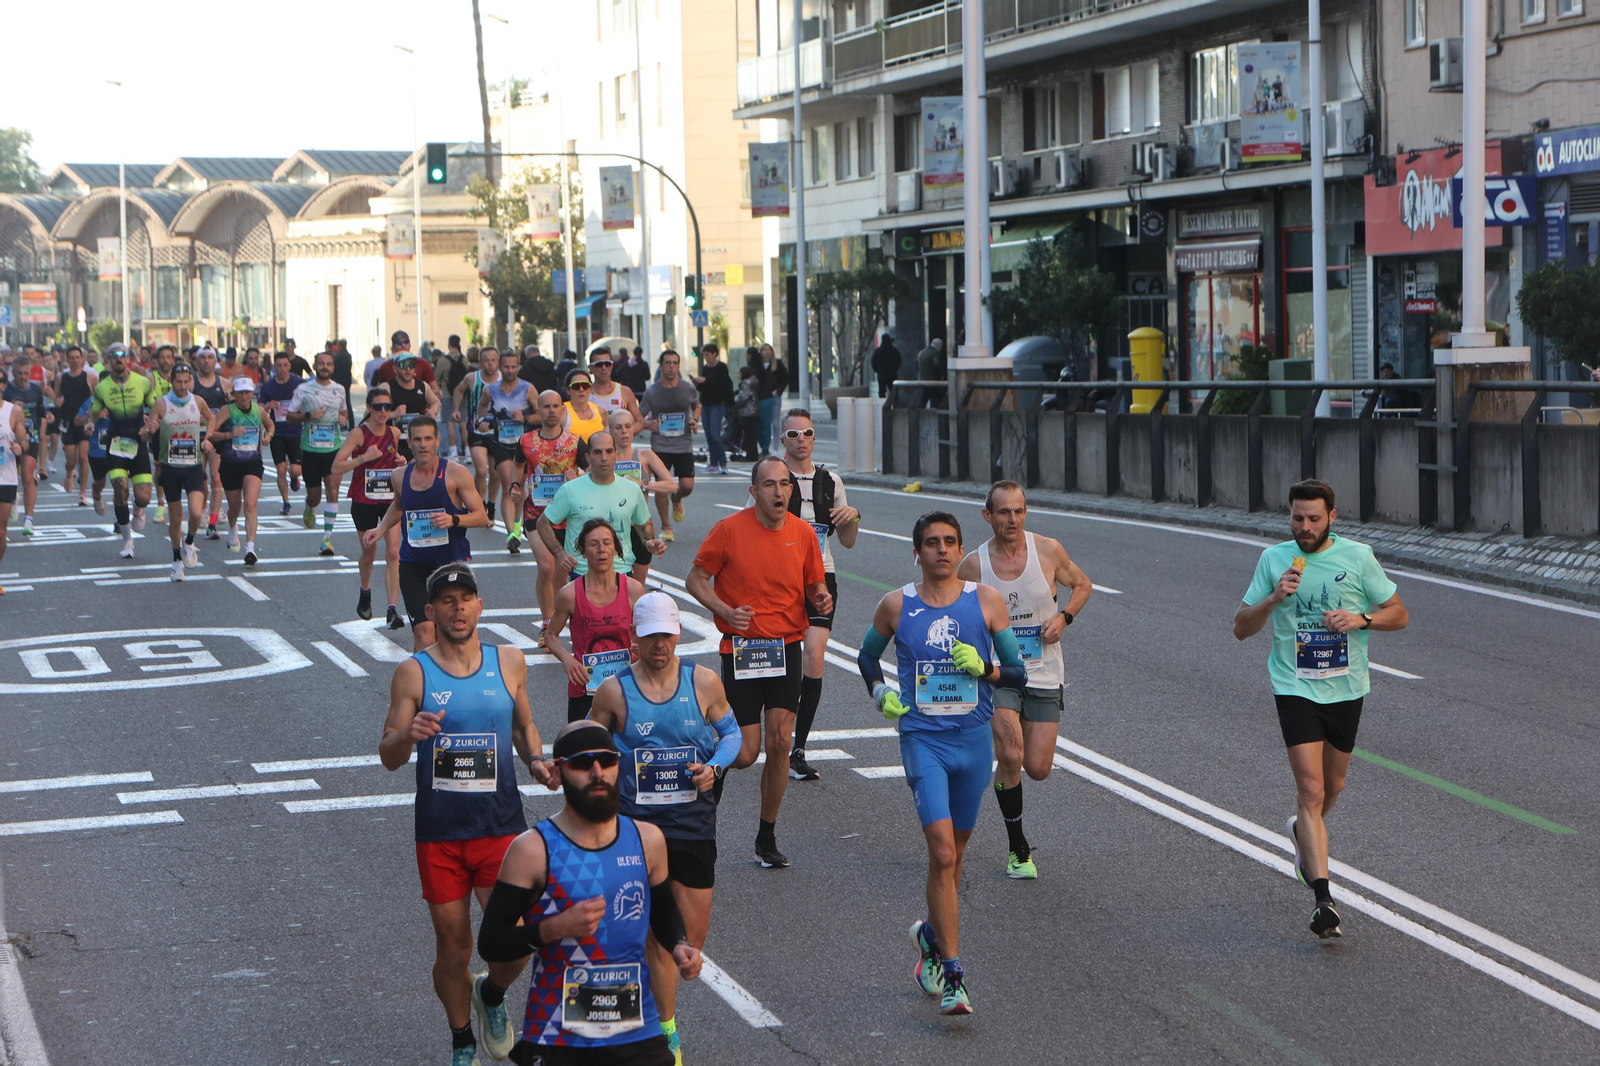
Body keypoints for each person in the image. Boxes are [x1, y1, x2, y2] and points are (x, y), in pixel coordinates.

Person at [379, 562, 552, 1066]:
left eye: (466, 598)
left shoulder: (510, 662)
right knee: (453, 948)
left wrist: (538, 763)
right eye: (447, 601)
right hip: (440, 832)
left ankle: (491, 995)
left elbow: (525, 728)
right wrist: (406, 738)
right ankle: (461, 1041)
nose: (458, 609)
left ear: (481, 605)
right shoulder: (415, 671)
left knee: (515, 942)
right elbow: (387, 755)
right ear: (431, 612)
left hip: (500, 827)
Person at [856, 511, 1027, 1016]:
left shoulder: (985, 601)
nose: (943, 550)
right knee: (943, 853)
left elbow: (1017, 671)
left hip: (973, 741)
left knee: (955, 856)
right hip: (922, 740)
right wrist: (879, 691)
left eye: (951, 542)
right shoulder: (897, 605)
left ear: (959, 550)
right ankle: (954, 976)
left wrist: (988, 669)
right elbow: (867, 657)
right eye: (932, 543)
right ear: (917, 553)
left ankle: (930, 935)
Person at [1233, 479, 1409, 940]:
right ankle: (1323, 900)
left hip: (1347, 687)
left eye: (1313, 518)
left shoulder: (1357, 557)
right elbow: (1240, 627)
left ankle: (1301, 833)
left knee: (1334, 786)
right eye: (1297, 518)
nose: (1304, 527)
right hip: (1294, 686)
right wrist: (1274, 598)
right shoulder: (1275, 561)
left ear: (1332, 516)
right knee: (1310, 790)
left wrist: (1362, 619)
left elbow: (1399, 613)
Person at [476, 720, 702, 1066]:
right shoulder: (532, 850)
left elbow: (663, 910)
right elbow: (490, 942)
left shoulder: (648, 840)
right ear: (559, 770)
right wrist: (553, 929)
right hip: (557, 1034)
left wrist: (680, 945)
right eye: (583, 763)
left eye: (607, 760)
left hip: (636, 1029)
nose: (598, 772)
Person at [586, 591, 739, 1066]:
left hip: (693, 824)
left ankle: (652, 1017)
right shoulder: (614, 690)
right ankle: (664, 1032)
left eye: (666, 636)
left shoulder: (704, 682)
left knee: (689, 942)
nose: (659, 645)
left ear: (677, 634)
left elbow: (732, 734)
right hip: (636, 829)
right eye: (649, 636)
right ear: (635, 636)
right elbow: (590, 744)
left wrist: (713, 766)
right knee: (655, 938)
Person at [686, 456, 831, 869]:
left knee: (780, 741)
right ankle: (701, 811)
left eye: (785, 484)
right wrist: (725, 611)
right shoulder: (729, 531)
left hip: (785, 646)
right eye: (769, 485)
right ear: (753, 491)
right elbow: (695, 578)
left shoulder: (803, 534)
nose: (778, 492)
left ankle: (766, 836)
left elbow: (815, 583)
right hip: (743, 650)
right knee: (746, 752)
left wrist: (820, 596)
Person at [957, 480, 1093, 879]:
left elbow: (1082, 584)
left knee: (1037, 767)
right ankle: (1018, 848)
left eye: (1018, 510)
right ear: (988, 516)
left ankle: (1002, 764)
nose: (1012, 519)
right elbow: (955, 613)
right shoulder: (974, 566)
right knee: (1012, 753)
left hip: (1045, 670)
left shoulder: (1048, 550)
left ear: (1026, 512)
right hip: (998, 674)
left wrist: (1063, 617)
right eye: (1003, 512)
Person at [769, 408, 860, 783]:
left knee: (815, 656)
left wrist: (852, 516)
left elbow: (849, 541)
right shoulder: (772, 478)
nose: (801, 439)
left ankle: (798, 748)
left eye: (807, 432)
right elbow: (749, 526)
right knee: (784, 659)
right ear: (783, 440)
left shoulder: (830, 480)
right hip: (780, 578)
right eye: (793, 434)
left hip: (821, 576)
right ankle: (775, 730)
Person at [362, 416, 488, 651]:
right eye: (417, 439)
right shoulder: (399, 476)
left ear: (437, 441)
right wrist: (380, 529)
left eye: (428, 438)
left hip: (449, 565)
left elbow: (481, 516)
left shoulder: (456, 473)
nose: (423, 445)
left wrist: (454, 519)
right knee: (424, 633)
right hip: (414, 565)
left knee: (451, 634)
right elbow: (399, 506)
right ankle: (423, 686)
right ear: (408, 443)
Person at [537, 431, 664, 600]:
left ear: (616, 455)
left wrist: (649, 541)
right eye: (597, 452)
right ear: (588, 458)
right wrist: (560, 554)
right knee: (588, 626)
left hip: (622, 572)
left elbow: (644, 524)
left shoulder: (632, 489)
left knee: (624, 626)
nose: (604, 457)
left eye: (609, 451)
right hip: (583, 574)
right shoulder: (571, 490)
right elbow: (543, 523)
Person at [545, 518, 647, 722]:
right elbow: (550, 636)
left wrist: (641, 647)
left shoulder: (634, 589)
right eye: (593, 544)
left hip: (628, 683)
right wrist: (568, 660)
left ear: (616, 549)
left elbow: (649, 633)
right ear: (583, 551)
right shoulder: (570, 594)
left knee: (628, 751)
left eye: (607, 543)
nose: (602, 549)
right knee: (583, 750)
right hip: (585, 686)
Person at [508, 389, 583, 632]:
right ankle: (547, 623)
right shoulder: (526, 440)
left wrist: (577, 476)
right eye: (546, 407)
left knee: (561, 573)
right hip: (535, 513)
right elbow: (518, 466)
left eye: (556, 406)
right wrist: (514, 486)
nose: (551, 411)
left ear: (563, 409)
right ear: (538, 411)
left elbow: (593, 473)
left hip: (566, 517)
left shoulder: (574, 441)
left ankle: (560, 617)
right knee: (546, 567)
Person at [333, 385, 405, 628]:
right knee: (370, 553)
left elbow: (400, 462)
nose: (383, 411)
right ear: (369, 408)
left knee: (393, 552)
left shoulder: (394, 433)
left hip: (389, 501)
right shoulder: (359, 434)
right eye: (378, 407)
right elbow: (337, 466)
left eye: (387, 407)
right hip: (363, 501)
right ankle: (365, 590)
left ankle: (392, 609)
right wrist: (365, 458)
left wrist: (402, 462)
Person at [145, 364, 214, 583]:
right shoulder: (161, 403)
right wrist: (150, 430)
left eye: (186, 381)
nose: (183, 386)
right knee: (176, 518)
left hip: (193, 465)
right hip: (170, 467)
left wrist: (207, 439)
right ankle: (176, 561)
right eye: (178, 382)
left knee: (195, 514)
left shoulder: (198, 401)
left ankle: (190, 542)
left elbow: (211, 418)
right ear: (171, 382)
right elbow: (145, 434)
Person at [87, 345, 156, 557]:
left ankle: (139, 508)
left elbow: (154, 407)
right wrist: (90, 422)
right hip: (116, 443)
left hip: (138, 442)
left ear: (128, 358)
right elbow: (94, 411)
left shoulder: (142, 382)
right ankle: (127, 542)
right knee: (120, 487)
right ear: (108, 359)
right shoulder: (102, 387)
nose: (119, 360)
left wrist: (151, 424)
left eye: (122, 355)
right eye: (114, 356)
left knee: (143, 496)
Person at [284, 351, 350, 556]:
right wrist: (308, 415)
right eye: (321, 363)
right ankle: (310, 505)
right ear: (314, 366)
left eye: (329, 364)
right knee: (315, 496)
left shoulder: (339, 389)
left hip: (333, 448)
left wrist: (343, 419)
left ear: (333, 367)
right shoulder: (304, 389)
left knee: (333, 490)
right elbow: (289, 417)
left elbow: (344, 412)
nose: (325, 367)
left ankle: (326, 539)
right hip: (311, 449)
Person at [473, 349, 535, 554]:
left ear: (518, 366)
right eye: (506, 366)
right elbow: (481, 407)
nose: (510, 370)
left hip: (523, 444)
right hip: (500, 443)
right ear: (500, 367)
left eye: (513, 366)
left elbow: (541, 415)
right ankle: (511, 534)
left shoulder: (528, 388)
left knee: (520, 488)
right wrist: (481, 421)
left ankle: (518, 524)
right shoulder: (491, 389)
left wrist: (525, 418)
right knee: (509, 486)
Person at [606, 410, 676, 585]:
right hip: (611, 528)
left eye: (628, 426)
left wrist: (643, 484)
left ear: (634, 429)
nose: (624, 431)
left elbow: (671, 485)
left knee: (636, 589)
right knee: (612, 585)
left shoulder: (645, 455)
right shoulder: (604, 457)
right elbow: (586, 481)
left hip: (639, 528)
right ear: (611, 431)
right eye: (618, 427)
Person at [209, 377, 273, 565]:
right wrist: (230, 434)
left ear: (252, 393)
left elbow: (270, 424)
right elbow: (212, 432)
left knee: (250, 505)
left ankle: (250, 548)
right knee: (235, 507)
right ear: (234, 393)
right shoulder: (227, 410)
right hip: (230, 463)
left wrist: (269, 437)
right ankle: (232, 527)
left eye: (247, 392)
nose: (244, 396)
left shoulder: (258, 410)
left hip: (253, 462)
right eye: (240, 392)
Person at [639, 351, 699, 543]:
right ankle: (666, 526)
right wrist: (648, 424)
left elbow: (697, 406)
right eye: (667, 363)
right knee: (662, 487)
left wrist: (695, 420)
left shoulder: (688, 388)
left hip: (683, 444)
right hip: (660, 444)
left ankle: (677, 498)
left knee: (687, 485)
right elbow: (639, 416)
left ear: (678, 366)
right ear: (661, 366)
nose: (671, 367)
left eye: (675, 363)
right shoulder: (652, 392)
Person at [3, 349, 53, 538]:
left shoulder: (35, 389)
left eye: (26, 373)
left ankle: (29, 519)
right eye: (19, 373)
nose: (23, 377)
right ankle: (11, 502)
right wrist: (11, 407)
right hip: (8, 438)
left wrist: (47, 414)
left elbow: (41, 409)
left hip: (29, 437)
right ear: (13, 373)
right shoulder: (7, 390)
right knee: (8, 477)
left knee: (27, 476)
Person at [453, 345, 503, 531]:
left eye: (493, 360)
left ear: (498, 362)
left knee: (496, 473)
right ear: (480, 362)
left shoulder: (503, 380)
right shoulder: (472, 378)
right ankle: (479, 505)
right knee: (481, 470)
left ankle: (491, 505)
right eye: (486, 361)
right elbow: (459, 390)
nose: (490, 364)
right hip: (476, 430)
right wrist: (457, 409)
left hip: (498, 431)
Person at [259, 351, 305, 517]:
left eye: (285, 365)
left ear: (290, 366)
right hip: (276, 432)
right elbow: (259, 407)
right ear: (274, 367)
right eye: (279, 365)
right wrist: (268, 405)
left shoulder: (299, 384)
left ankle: (294, 478)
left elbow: (308, 401)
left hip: (296, 431)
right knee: (280, 469)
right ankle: (286, 502)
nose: (282, 368)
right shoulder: (268, 386)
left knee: (295, 470)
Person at [190, 347, 229, 540]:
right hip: (193, 436)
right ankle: (203, 509)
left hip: (215, 437)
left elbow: (234, 409)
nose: (206, 361)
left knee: (216, 477)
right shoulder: (190, 383)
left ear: (215, 361)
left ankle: (212, 524)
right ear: (196, 361)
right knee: (200, 479)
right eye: (203, 358)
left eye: (210, 358)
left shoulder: (225, 384)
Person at [56, 345, 97, 504]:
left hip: (85, 420)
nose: (74, 360)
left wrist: (93, 414)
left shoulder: (90, 376)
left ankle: (82, 493)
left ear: (82, 359)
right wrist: (57, 401)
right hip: (68, 420)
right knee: (71, 460)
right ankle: (69, 475)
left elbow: (98, 396)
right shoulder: (62, 377)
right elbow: (57, 396)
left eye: (77, 357)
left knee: (82, 457)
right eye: (71, 357)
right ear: (66, 359)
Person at [388, 353, 441, 463]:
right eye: (403, 365)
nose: (408, 369)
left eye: (411, 365)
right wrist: (393, 414)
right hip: (395, 443)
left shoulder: (422, 386)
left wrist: (433, 412)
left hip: (417, 442)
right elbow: (370, 414)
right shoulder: (387, 387)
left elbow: (435, 401)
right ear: (395, 368)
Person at [691, 342, 732, 475]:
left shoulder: (721, 367)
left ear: (714, 354)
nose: (706, 357)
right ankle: (713, 463)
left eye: (708, 354)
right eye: (704, 355)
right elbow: (703, 388)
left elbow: (721, 385)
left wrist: (705, 381)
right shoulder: (705, 368)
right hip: (706, 403)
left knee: (715, 434)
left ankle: (723, 463)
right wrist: (697, 383)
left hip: (717, 404)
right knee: (709, 434)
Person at [0, 395, 24, 593]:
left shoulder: (13, 411)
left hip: (5, 478)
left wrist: (20, 446)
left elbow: (24, 438)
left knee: (0, 532)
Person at [587, 347, 643, 425]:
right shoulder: (584, 393)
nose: (604, 368)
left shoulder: (625, 392)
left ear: (612, 366)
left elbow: (639, 421)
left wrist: (626, 434)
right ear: (590, 368)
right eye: (599, 364)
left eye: (607, 364)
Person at [435, 336, 469, 459]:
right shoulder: (464, 359)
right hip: (463, 396)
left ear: (449, 344)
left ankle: (453, 452)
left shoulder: (443, 360)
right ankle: (468, 451)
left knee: (450, 424)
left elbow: (436, 377)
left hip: (448, 395)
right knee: (464, 424)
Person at [562, 367, 606, 445]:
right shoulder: (561, 412)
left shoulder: (601, 412)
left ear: (590, 389)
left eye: (585, 385)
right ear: (568, 390)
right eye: (576, 386)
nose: (581, 389)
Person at [756, 343, 786, 456]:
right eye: (764, 350)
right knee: (763, 423)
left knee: (775, 422)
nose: (767, 352)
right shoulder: (758, 365)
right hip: (762, 397)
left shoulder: (777, 363)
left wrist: (779, 391)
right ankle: (764, 447)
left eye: (769, 349)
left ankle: (776, 448)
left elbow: (785, 378)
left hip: (774, 396)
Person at [731, 364, 761, 461]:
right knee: (751, 435)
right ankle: (753, 454)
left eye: (739, 373)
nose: (738, 375)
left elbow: (744, 397)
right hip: (753, 411)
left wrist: (735, 404)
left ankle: (750, 455)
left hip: (747, 411)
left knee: (749, 436)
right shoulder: (753, 382)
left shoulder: (745, 384)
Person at [871, 333, 901, 405]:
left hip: (881, 375)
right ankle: (894, 405)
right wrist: (894, 369)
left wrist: (878, 370)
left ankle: (882, 405)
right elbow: (899, 361)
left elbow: (873, 362)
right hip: (892, 375)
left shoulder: (877, 352)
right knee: (893, 391)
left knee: (882, 391)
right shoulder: (894, 351)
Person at [917, 338, 947, 408]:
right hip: (934, 381)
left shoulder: (921, 353)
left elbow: (917, 366)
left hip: (923, 381)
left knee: (924, 399)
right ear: (939, 346)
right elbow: (937, 366)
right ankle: (943, 413)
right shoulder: (934, 354)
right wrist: (941, 376)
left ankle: (919, 413)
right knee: (942, 398)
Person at [331, 338, 356, 426]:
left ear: (339, 346)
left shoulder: (339, 356)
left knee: (343, 403)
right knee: (347, 402)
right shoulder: (348, 355)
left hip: (340, 380)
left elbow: (336, 369)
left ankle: (345, 423)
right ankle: (350, 423)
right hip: (347, 380)